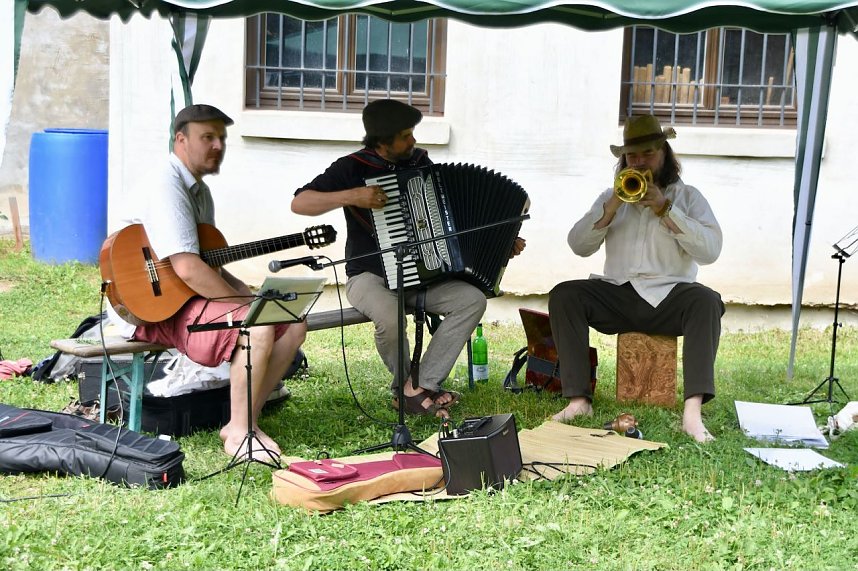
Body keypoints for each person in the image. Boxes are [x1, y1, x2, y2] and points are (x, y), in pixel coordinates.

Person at [292, 99, 525, 418]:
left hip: (422, 274)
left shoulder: (419, 161)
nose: (413, 141)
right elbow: (300, 203)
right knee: (389, 318)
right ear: (382, 141)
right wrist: (353, 196)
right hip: (368, 276)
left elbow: (449, 218)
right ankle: (407, 390)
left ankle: (419, 386)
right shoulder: (353, 167)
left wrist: (501, 242)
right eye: (405, 135)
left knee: (471, 300)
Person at [108, 104, 306, 459]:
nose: (218, 146)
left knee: (292, 322)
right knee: (256, 324)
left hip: (185, 298)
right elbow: (186, 268)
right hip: (150, 306)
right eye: (208, 137)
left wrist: (245, 292)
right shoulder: (167, 185)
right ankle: (240, 438)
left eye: (222, 138)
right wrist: (244, 305)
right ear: (180, 139)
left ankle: (243, 421)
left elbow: (207, 261)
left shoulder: (200, 191)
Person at [548, 115, 724, 442]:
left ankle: (692, 413)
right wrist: (612, 206)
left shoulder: (689, 198)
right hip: (618, 295)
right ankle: (578, 401)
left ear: (665, 155)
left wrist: (666, 209)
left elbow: (710, 251)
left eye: (648, 154)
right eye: (632, 156)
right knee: (565, 294)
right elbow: (577, 245)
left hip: (670, 297)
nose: (639, 162)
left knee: (707, 300)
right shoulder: (610, 198)